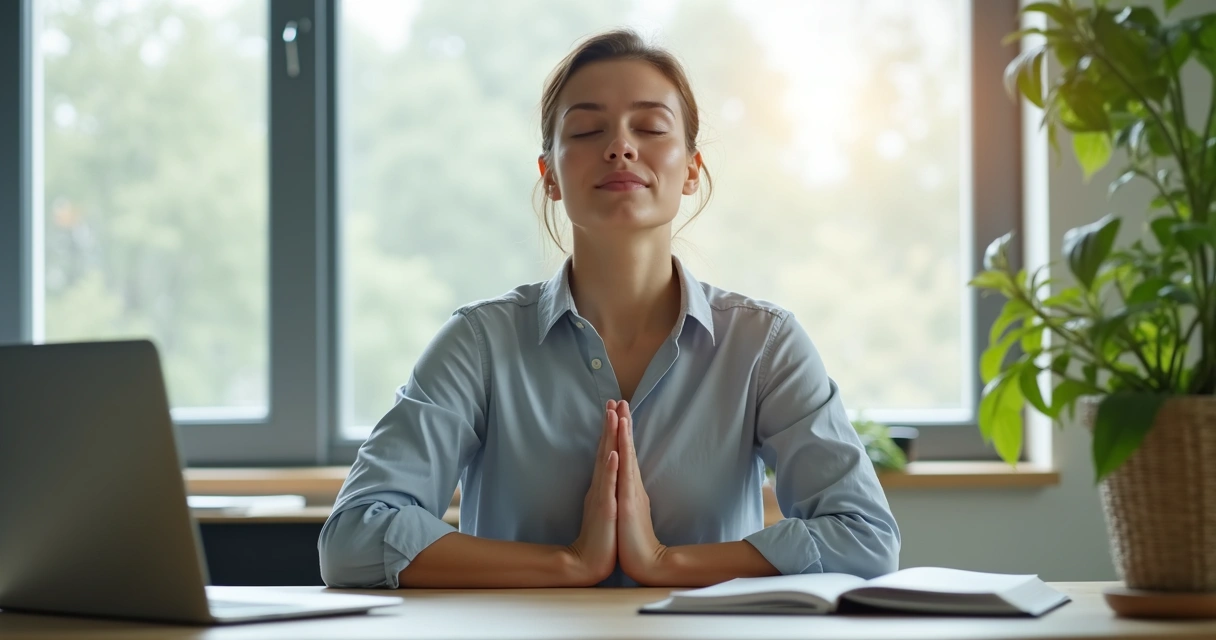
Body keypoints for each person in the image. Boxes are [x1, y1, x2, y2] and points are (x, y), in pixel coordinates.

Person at [318, 28, 899, 589]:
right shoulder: (479, 343)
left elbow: (866, 538)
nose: (620, 147)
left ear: (692, 169)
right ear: (550, 175)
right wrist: (568, 564)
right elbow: (352, 536)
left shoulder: (763, 345)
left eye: (650, 127)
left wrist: (665, 563)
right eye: (588, 130)